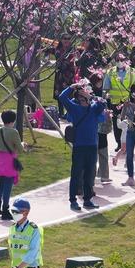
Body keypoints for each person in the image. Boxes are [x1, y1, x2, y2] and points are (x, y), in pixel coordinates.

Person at [57, 79, 104, 210]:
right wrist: (72, 87)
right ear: (78, 99)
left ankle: (87, 200)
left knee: (89, 174)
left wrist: (91, 96)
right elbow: (62, 97)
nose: (84, 101)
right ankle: (73, 200)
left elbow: (103, 104)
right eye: (82, 99)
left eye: (86, 98)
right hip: (79, 146)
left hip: (92, 146)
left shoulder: (94, 108)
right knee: (76, 173)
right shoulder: (74, 109)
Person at [0, 109, 24, 219]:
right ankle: (5, 211)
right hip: (9, 162)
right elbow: (20, 149)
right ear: (13, 120)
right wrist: (22, 144)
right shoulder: (14, 132)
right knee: (7, 188)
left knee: (0, 186)